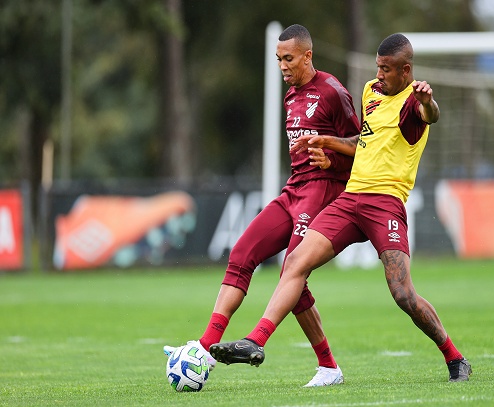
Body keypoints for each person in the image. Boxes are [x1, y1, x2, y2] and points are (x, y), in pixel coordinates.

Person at [209, 33, 472, 383]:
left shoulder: (414, 104)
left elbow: (431, 116)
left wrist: (429, 101)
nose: (379, 75)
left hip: (385, 205)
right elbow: (363, 142)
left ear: (406, 70)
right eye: (378, 67)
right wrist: (326, 140)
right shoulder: (371, 92)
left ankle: (454, 358)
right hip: (350, 200)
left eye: (386, 69)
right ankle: (255, 341)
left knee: (403, 294)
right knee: (296, 263)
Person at [164, 24, 360, 387]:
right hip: (293, 191)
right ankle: (206, 346)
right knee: (242, 252)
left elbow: (361, 145)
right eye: (278, 59)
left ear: (307, 55)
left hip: (323, 193)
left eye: (288, 59)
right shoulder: (290, 97)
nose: (283, 66)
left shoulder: (333, 92)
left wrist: (332, 156)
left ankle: (319, 363)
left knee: (292, 270)